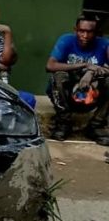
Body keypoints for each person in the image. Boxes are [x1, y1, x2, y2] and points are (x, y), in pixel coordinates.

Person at [45, 16, 109, 144]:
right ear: (75, 30)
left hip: (92, 95)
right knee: (58, 76)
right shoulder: (66, 40)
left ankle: (95, 126)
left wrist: (91, 72)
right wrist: (85, 65)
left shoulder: (104, 44)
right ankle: (63, 123)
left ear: (97, 33)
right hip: (67, 97)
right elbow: (50, 66)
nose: (85, 36)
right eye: (81, 31)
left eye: (90, 32)